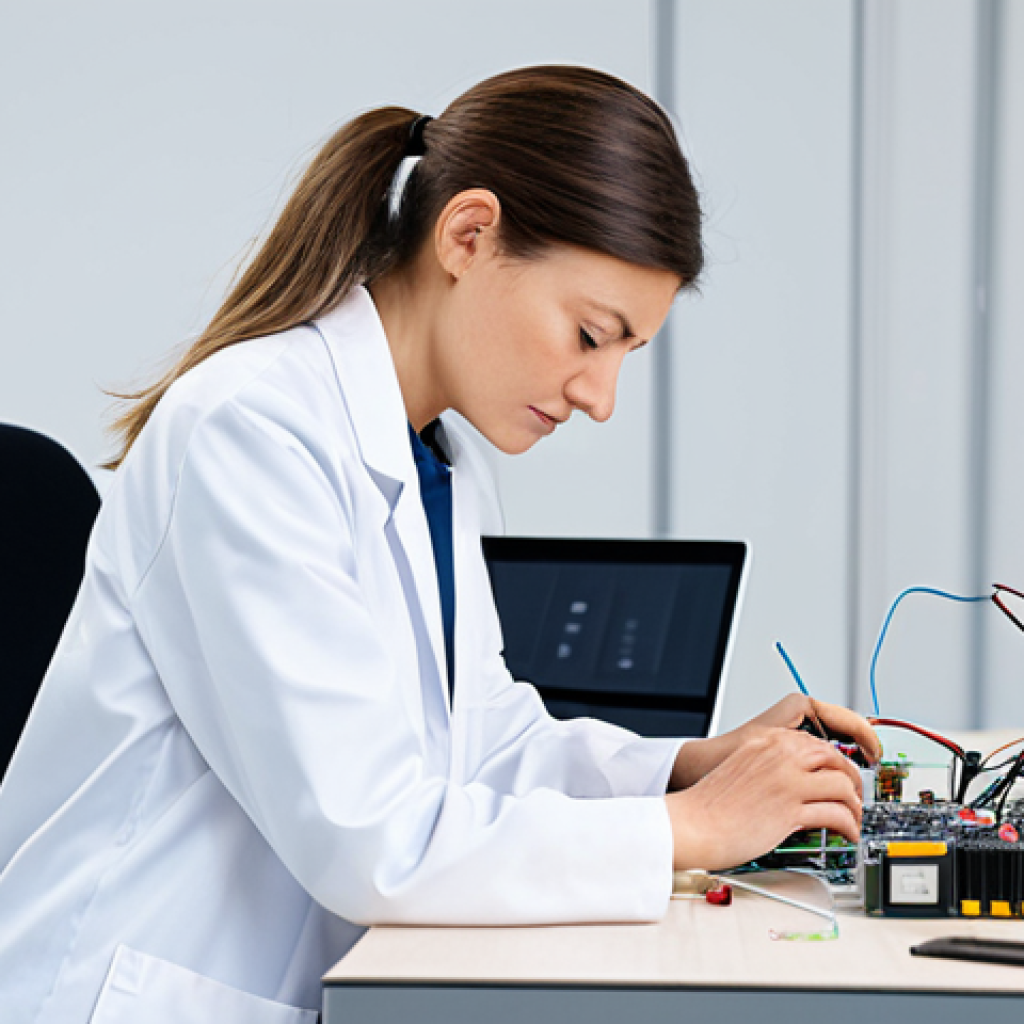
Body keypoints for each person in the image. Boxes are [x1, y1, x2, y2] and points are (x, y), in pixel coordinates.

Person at [0, 65, 879, 1023]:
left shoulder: (440, 460)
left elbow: (481, 744)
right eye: (590, 335)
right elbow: (370, 837)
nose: (600, 398)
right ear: (469, 235)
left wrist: (683, 770)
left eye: (625, 354)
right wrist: (687, 828)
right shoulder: (248, 430)